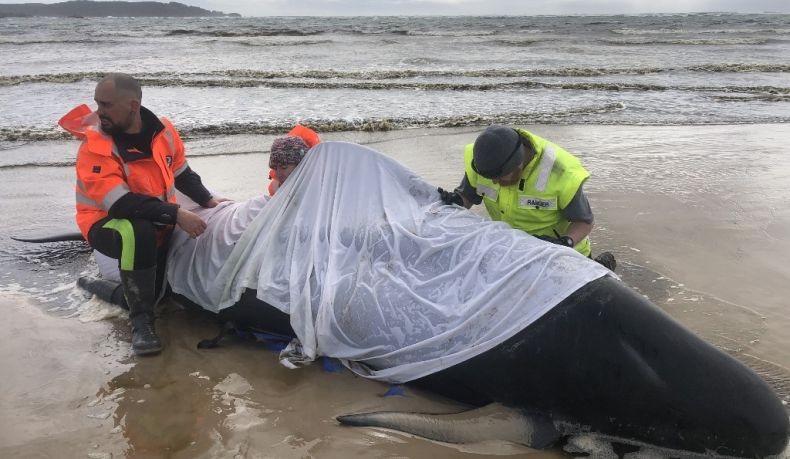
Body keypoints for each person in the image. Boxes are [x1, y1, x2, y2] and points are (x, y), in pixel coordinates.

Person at [59, 73, 228, 356]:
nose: (99, 112)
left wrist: (209, 201)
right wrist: (176, 214)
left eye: (106, 105)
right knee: (137, 230)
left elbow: (182, 172)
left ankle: (115, 291)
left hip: (155, 218)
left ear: (133, 106)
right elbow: (119, 204)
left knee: (157, 293)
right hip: (106, 223)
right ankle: (142, 323)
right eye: (98, 103)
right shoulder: (96, 147)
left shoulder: (163, 132)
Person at [438, 125, 615, 270]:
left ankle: (601, 265)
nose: (494, 182)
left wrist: (564, 243)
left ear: (519, 164)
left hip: (565, 253)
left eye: (500, 177)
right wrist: (456, 200)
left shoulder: (562, 174)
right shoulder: (485, 160)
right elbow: (467, 196)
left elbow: (584, 222)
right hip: (514, 250)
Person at [267, 125, 320, 195]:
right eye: (275, 168)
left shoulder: (318, 187)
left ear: (300, 165)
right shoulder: (276, 189)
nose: (278, 173)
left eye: (283, 167)